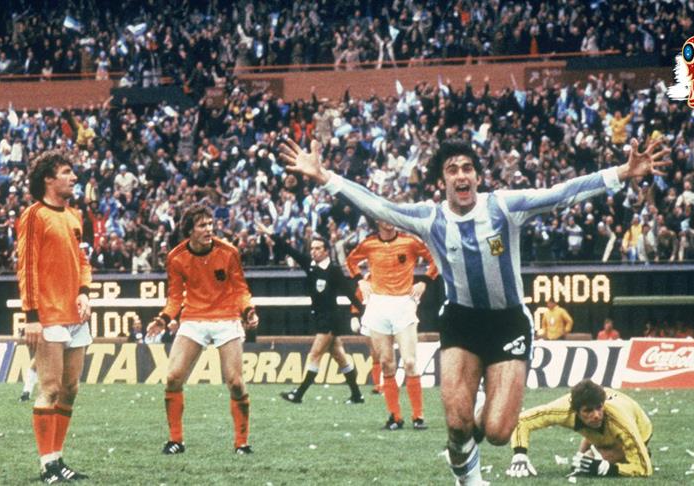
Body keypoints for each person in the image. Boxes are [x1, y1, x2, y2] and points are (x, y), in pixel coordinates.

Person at [280, 136, 668, 485]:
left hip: (508, 323)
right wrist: (324, 177)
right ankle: (470, 479)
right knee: (456, 423)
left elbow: (562, 193)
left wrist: (623, 172)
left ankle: (478, 418)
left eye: (467, 168)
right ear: (443, 182)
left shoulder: (504, 207)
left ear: (478, 177)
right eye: (452, 170)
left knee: (498, 432)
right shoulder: (430, 218)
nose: (461, 175)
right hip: (461, 321)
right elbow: (376, 204)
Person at [146, 204, 259, 455]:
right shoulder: (176, 257)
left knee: (236, 383)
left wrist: (248, 310)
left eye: (210, 224)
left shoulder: (228, 252)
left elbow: (240, 289)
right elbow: (175, 297)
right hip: (194, 319)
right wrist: (163, 319)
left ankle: (242, 443)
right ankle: (176, 440)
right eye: (202, 225)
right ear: (190, 230)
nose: (209, 229)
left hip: (226, 317)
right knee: (173, 377)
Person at [17, 149, 93, 482]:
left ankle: (58, 459)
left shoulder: (74, 216)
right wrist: (32, 315)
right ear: (48, 179)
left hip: (75, 316)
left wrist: (84, 291)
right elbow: (26, 267)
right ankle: (46, 464)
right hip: (47, 315)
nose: (74, 177)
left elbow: (83, 261)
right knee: (49, 388)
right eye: (66, 172)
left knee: (70, 388)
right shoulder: (34, 215)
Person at [346, 220, 439, 430]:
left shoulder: (409, 242)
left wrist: (424, 281)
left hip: (403, 304)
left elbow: (435, 258)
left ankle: (418, 416)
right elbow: (350, 261)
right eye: (384, 217)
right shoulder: (369, 244)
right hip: (378, 305)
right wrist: (360, 280)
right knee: (386, 362)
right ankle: (395, 417)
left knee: (410, 361)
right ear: (378, 220)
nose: (389, 221)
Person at [506, 379, 652, 478]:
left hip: (639, 430)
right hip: (598, 432)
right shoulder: (563, 409)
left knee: (591, 463)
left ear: (603, 404)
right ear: (575, 411)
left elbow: (644, 469)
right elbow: (522, 420)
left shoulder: (620, 421)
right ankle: (601, 450)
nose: (596, 415)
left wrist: (610, 469)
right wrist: (520, 454)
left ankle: (639, 450)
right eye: (588, 410)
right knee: (582, 464)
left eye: (599, 407)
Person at [280, 236, 365, 404]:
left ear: (326, 251)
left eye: (318, 248)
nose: (314, 251)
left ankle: (298, 394)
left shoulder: (333, 270)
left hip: (330, 319)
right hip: (320, 318)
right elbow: (292, 251)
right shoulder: (311, 266)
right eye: (312, 248)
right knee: (340, 357)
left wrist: (362, 312)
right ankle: (357, 395)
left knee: (315, 354)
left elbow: (349, 292)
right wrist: (272, 235)